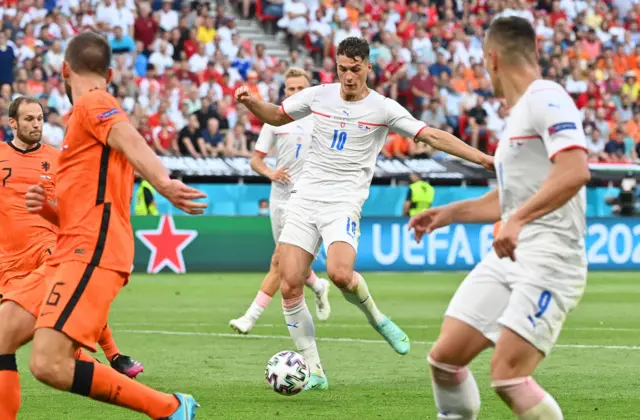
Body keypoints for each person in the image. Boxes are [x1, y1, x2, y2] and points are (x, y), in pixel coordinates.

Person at [235, 36, 493, 391]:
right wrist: (251, 103)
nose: (348, 77)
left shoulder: (383, 108)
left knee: (341, 274)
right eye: (342, 69)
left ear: (368, 67)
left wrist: (483, 159)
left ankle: (378, 318)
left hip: (344, 202)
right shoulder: (318, 95)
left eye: (355, 69)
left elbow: (431, 136)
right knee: (290, 283)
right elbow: (276, 115)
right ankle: (315, 371)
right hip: (306, 197)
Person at [3, 31, 207, 420]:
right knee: (2, 338)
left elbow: (129, 137)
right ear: (110, 73)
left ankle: (169, 408)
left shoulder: (93, 103)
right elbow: (77, 207)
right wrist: (46, 209)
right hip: (69, 251)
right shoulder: (81, 128)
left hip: (91, 251)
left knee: (49, 364)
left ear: (64, 70)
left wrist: (163, 183)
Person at [409, 17, 590, 419]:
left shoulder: (546, 95)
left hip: (551, 257)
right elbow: (511, 199)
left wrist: (519, 219)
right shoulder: (517, 117)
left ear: (491, 59)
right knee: (445, 359)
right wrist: (449, 213)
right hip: (512, 254)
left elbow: (575, 170)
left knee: (508, 376)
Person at [229, 68, 331, 335]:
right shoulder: (274, 120)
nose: (295, 94)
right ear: (284, 92)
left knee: (279, 261)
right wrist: (271, 173)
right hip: (279, 199)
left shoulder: (321, 121)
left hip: (307, 201)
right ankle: (319, 286)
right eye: (290, 89)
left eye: (300, 89)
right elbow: (255, 160)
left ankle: (250, 317)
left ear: (309, 91)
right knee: (292, 265)